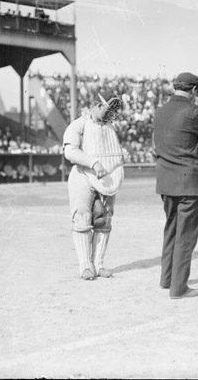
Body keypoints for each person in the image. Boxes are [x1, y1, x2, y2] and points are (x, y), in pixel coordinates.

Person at [153, 72, 198, 299]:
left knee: (171, 230)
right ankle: (179, 288)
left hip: (166, 181)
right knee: (186, 235)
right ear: (194, 90)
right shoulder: (192, 112)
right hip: (189, 183)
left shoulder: (160, 112)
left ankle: (166, 279)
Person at [63, 95, 126, 280]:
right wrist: (93, 163)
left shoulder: (110, 127)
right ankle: (85, 266)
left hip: (106, 179)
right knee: (82, 219)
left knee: (104, 220)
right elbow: (70, 151)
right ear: (97, 106)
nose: (111, 114)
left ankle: (98, 264)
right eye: (108, 109)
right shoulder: (79, 125)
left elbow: (113, 152)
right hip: (82, 176)